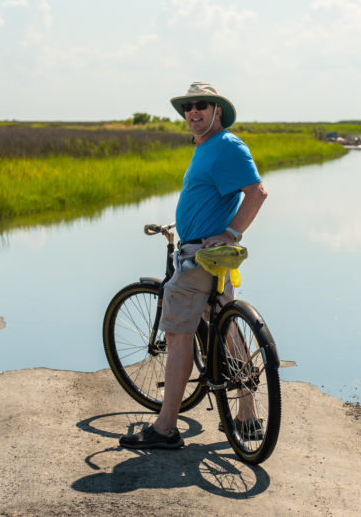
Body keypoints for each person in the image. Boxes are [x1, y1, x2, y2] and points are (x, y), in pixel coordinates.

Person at [119, 81, 268, 450]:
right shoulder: (206, 147)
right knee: (228, 331)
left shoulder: (226, 145)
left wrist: (232, 233)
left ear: (218, 111)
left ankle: (165, 428)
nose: (193, 112)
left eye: (201, 105)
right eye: (188, 107)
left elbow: (257, 192)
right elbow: (211, 197)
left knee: (177, 335)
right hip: (204, 255)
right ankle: (247, 417)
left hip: (199, 260)